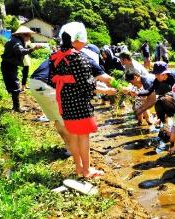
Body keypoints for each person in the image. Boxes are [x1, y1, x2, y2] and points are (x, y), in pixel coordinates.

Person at [49, 22, 116, 178]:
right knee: (83, 136)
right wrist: (106, 90)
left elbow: (54, 79)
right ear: (76, 39)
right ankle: (87, 170)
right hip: (79, 102)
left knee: (72, 135)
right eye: (84, 39)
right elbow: (87, 84)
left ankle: (79, 168)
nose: (85, 42)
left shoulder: (55, 57)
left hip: (65, 101)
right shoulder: (78, 57)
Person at [134, 61, 175, 126]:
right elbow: (149, 91)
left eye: (158, 75)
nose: (156, 76)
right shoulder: (157, 80)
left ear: (164, 73)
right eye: (155, 74)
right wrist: (137, 93)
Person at [0, 26, 42, 112]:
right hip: (9, 66)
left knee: (12, 85)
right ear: (23, 35)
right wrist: (33, 48)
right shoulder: (17, 42)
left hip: (7, 64)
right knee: (15, 86)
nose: (29, 37)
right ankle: (17, 107)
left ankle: (15, 106)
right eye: (28, 35)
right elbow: (20, 51)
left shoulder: (13, 39)